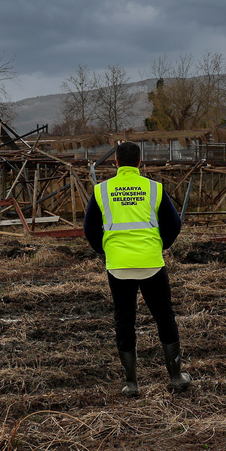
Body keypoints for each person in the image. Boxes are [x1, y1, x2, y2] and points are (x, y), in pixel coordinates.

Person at [84, 141, 190, 396]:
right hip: (151, 263)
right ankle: (176, 378)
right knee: (164, 316)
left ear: (116, 162)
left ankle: (131, 384)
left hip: (118, 266)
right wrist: (158, 246)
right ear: (140, 162)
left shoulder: (102, 190)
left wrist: (107, 250)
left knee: (124, 319)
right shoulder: (154, 189)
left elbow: (89, 229)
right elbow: (174, 224)